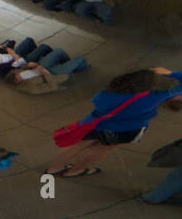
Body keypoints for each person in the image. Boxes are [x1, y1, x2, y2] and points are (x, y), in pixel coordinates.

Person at [46, 68, 182, 179]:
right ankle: (76, 171)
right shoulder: (153, 97)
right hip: (126, 130)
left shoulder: (106, 93)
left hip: (97, 124)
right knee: (102, 149)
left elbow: (98, 104)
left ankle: (55, 168)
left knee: (78, 145)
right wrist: (170, 73)